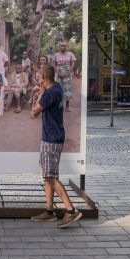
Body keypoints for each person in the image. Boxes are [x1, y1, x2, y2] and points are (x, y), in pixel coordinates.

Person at [30, 64, 82, 228]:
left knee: (51, 177)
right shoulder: (58, 88)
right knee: (48, 175)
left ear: (44, 78)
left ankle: (71, 210)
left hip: (50, 140)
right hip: (56, 136)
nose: (39, 78)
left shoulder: (49, 94)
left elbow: (34, 112)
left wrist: (40, 92)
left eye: (40, 76)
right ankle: (49, 211)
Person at [52, 41, 76, 112]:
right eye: (62, 46)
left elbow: (73, 63)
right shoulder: (56, 55)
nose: (63, 47)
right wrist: (58, 73)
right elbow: (54, 64)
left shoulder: (70, 54)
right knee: (58, 89)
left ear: (66, 47)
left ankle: (67, 106)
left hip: (68, 73)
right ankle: (59, 105)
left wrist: (68, 73)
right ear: (59, 47)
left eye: (65, 46)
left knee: (67, 89)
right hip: (59, 73)